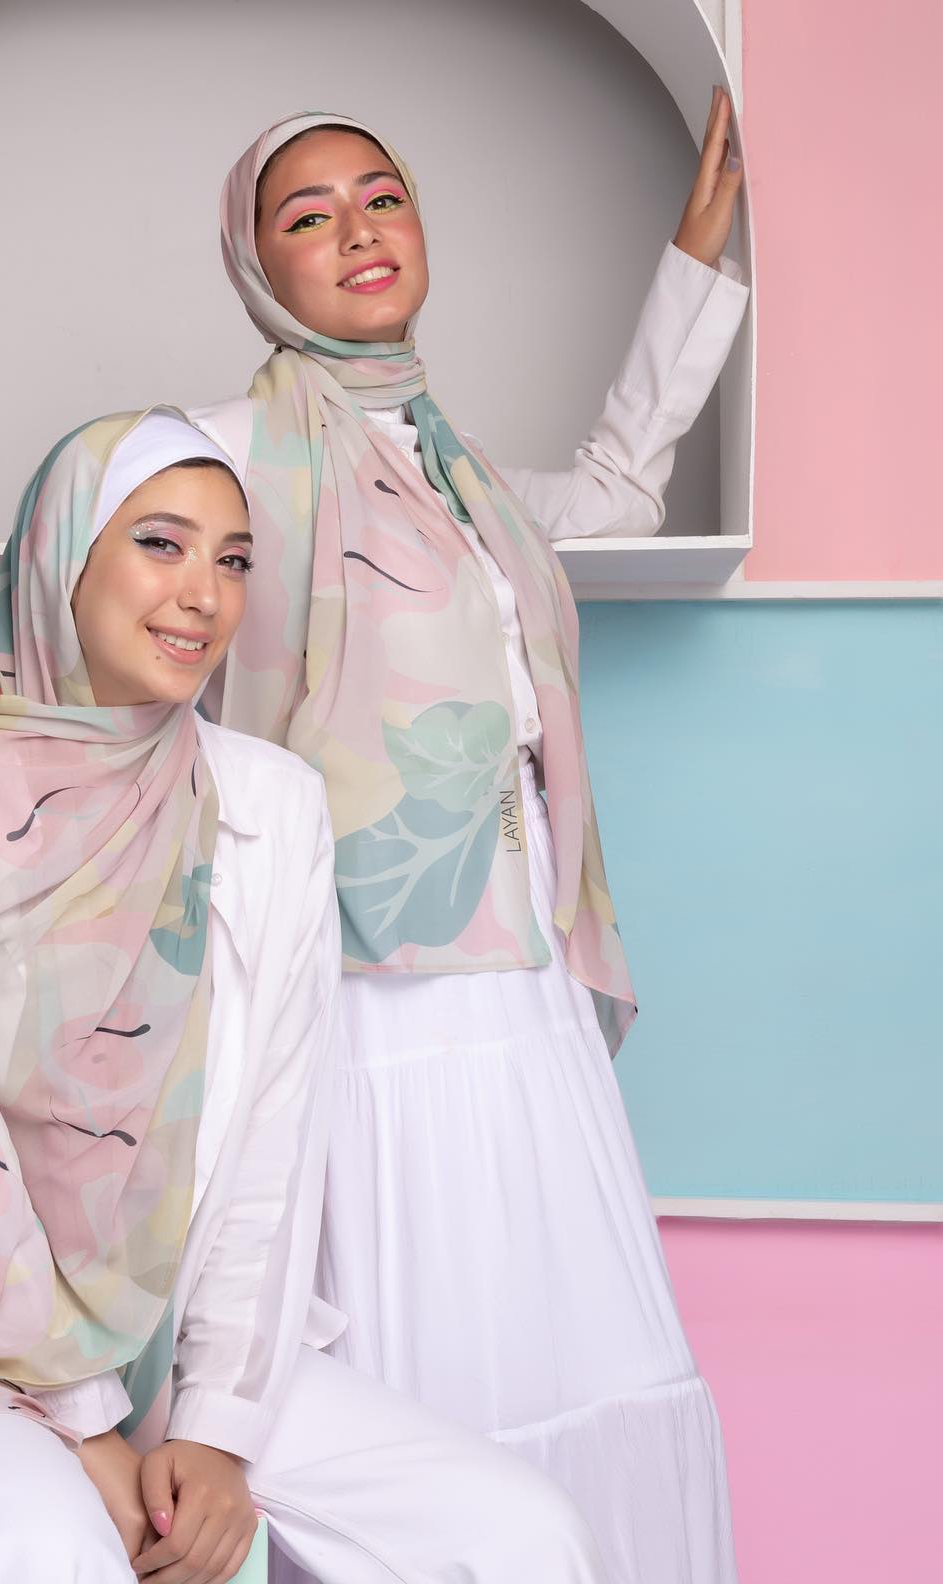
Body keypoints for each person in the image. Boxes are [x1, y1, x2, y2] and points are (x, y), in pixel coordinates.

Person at [0, 408, 609, 1584]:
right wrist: (89, 1422)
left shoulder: (272, 805)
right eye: (161, 543)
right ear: (67, 554)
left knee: (524, 1535)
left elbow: (272, 1150)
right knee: (41, 1546)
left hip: (164, 1349)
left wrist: (214, 1430)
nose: (204, 595)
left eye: (235, 559)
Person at [187, 101, 749, 1584]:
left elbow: (617, 491)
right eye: (307, 215)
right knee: (424, 1354)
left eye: (381, 196)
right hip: (367, 988)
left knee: (570, 1334)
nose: (357, 230)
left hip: (522, 971)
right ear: (254, 268)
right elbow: (99, 599)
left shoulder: (467, 477)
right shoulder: (227, 456)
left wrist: (695, 260)